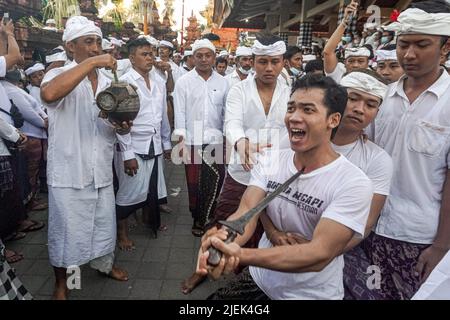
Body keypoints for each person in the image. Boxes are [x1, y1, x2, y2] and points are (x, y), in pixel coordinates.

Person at [196, 74, 373, 300]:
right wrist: (223, 239)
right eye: (291, 108)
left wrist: (241, 255)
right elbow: (246, 213)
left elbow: (319, 253)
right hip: (259, 281)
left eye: (308, 110)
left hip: (308, 294)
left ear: (333, 120)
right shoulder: (271, 159)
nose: (294, 117)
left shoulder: (353, 183)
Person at [264, 69, 392, 300]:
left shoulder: (377, 160)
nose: (359, 109)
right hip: (267, 264)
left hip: (321, 275)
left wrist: (316, 253)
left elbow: (365, 224)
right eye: (352, 98)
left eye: (371, 104)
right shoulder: (292, 139)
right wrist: (273, 233)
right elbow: (262, 193)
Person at [181, 33, 290, 295]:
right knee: (223, 224)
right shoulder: (239, 89)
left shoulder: (290, 90)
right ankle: (201, 270)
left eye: (275, 62)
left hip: (276, 174)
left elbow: (294, 126)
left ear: (282, 62)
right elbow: (231, 122)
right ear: (253, 61)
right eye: (262, 62)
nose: (269, 68)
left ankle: (248, 278)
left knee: (266, 228)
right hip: (241, 172)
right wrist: (241, 143)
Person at [40, 16, 131, 300]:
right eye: (89, 42)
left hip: (100, 168)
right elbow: (50, 95)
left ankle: (104, 265)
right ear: (70, 46)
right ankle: (63, 282)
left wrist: (121, 125)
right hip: (68, 170)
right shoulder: (56, 74)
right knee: (65, 231)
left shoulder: (109, 81)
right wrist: (91, 63)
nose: (95, 48)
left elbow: (116, 122)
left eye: (98, 43)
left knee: (103, 224)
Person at [370, 0, 450, 299]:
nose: (409, 54)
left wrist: (441, 245)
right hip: (370, 228)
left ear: (445, 47)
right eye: (403, 44)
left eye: (421, 45)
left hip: (419, 239)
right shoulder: (382, 98)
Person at [114, 38, 171, 249]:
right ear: (131, 58)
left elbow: (162, 114)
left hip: (154, 142)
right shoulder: (125, 82)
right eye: (144, 54)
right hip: (133, 144)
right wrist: (127, 154)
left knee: (152, 187)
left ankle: (149, 221)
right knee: (128, 191)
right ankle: (122, 233)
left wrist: (166, 142)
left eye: (151, 54)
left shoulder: (158, 81)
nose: (150, 58)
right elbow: (119, 121)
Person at [173, 39, 229, 237]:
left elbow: (227, 114)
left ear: (214, 57)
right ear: (192, 58)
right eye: (199, 55)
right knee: (194, 182)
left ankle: (211, 217)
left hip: (216, 140)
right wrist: (180, 142)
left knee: (216, 180)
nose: (204, 59)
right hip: (192, 140)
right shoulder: (183, 82)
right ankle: (197, 217)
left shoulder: (224, 82)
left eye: (208, 55)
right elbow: (179, 112)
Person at [323, 0, 371, 84]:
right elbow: (328, 52)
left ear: (368, 64)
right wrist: (345, 22)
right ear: (345, 63)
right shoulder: (339, 74)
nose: (355, 65)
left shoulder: (374, 79)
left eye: (361, 61)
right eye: (351, 61)